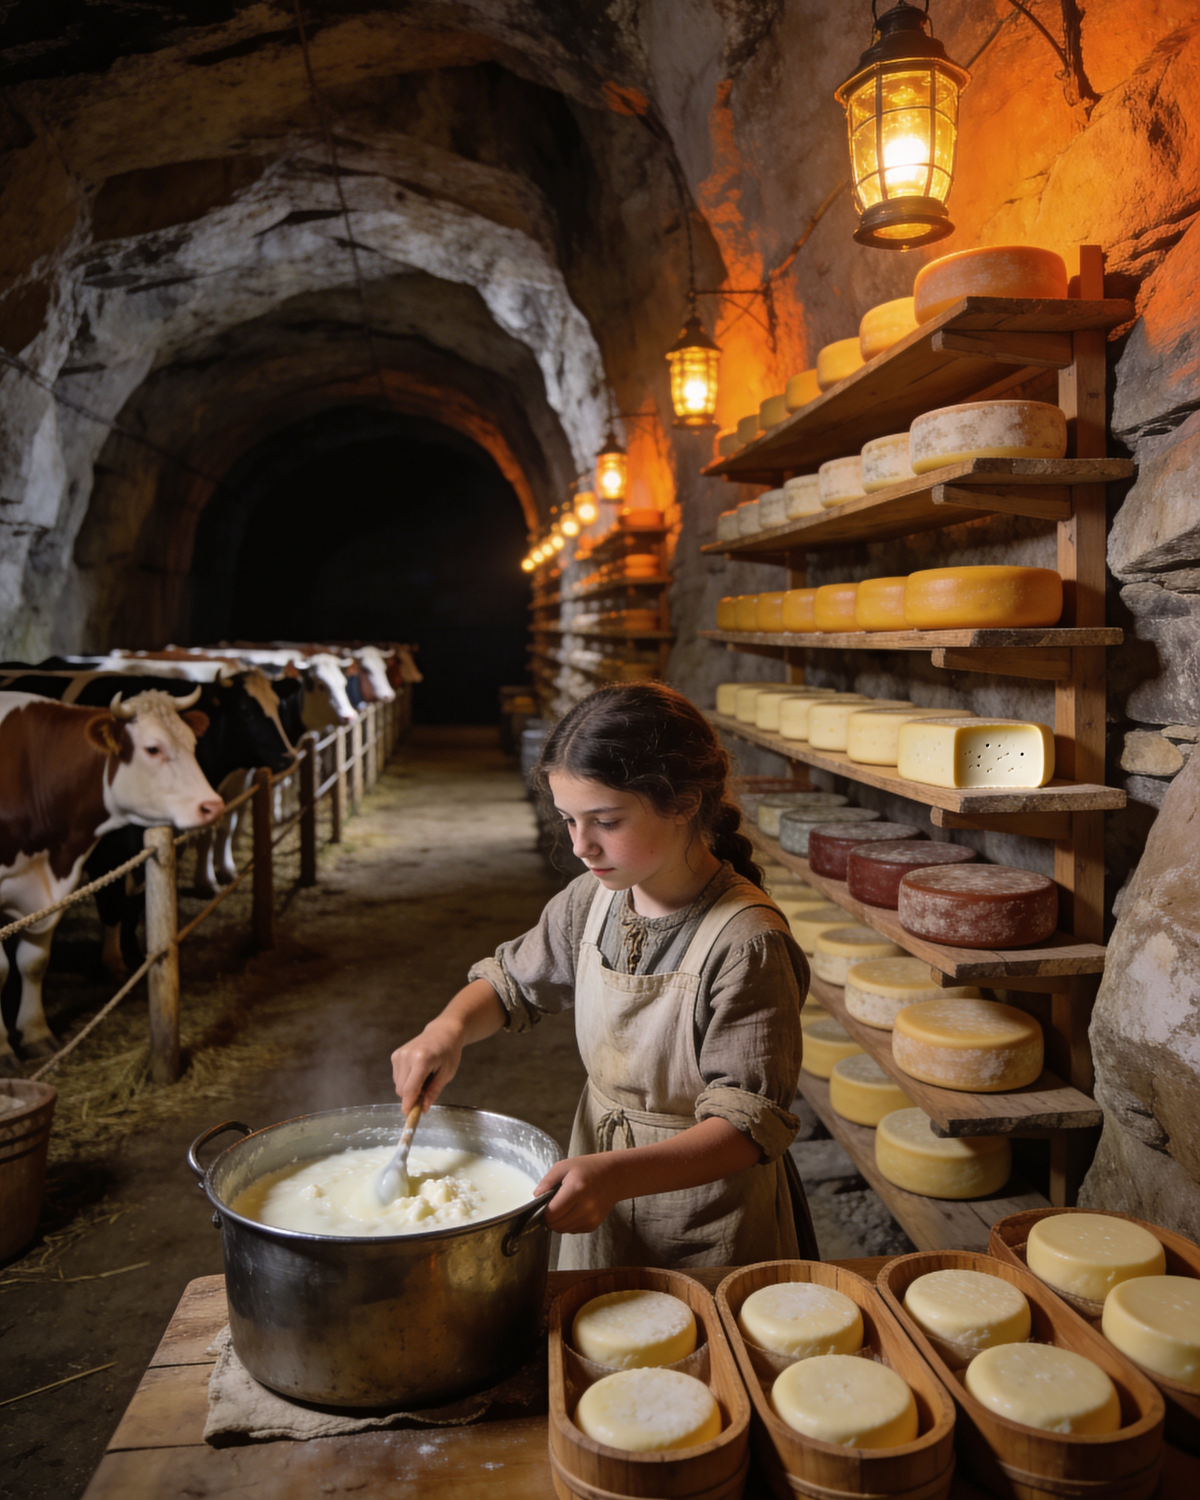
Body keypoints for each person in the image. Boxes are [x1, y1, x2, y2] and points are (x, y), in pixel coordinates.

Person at [391, 682, 816, 1268]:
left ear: (685, 802)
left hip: (704, 1208)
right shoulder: (591, 901)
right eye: (569, 820)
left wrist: (615, 1175)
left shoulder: (747, 943)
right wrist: (447, 1029)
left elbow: (747, 1126)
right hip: (599, 1180)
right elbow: (513, 983)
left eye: (606, 820)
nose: (582, 845)